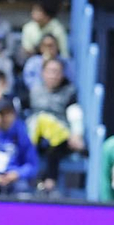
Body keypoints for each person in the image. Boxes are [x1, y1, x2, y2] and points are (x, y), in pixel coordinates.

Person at [25, 57, 82, 193]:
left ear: (62, 74)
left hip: (60, 136)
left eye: (57, 72)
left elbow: (75, 113)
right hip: (36, 134)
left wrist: (77, 134)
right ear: (42, 73)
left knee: (56, 142)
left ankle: (50, 181)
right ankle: (33, 181)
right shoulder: (34, 91)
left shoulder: (69, 91)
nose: (53, 75)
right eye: (50, 71)